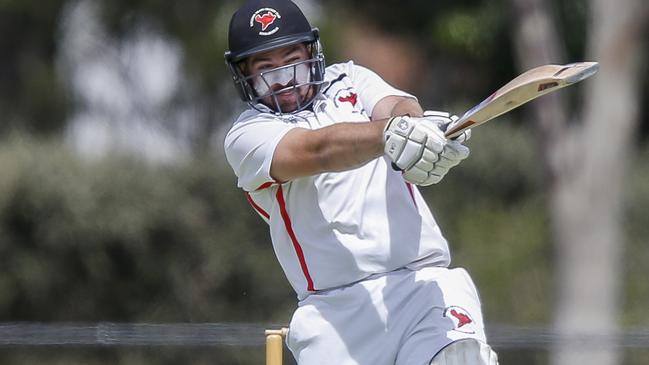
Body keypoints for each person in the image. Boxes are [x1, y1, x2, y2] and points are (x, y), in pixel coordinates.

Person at [223, 0, 499, 364]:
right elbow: (318, 150)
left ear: (311, 52)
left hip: (422, 287)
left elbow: (398, 106)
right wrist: (391, 135)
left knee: (459, 358)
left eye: (293, 60)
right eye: (266, 69)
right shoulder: (247, 135)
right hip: (333, 315)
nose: (285, 78)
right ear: (244, 75)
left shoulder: (348, 78)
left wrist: (417, 133)